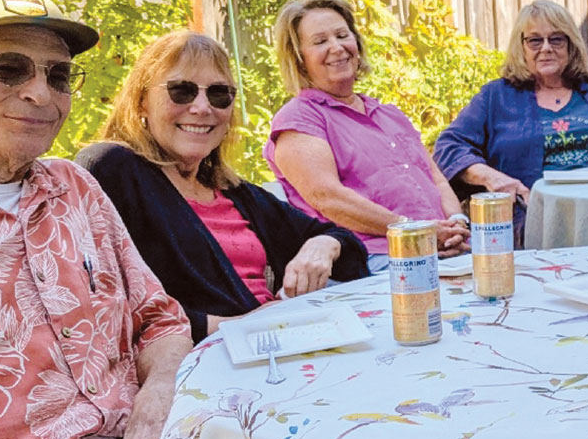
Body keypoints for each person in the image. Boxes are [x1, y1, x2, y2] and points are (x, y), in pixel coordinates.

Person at [0, 0, 192, 439]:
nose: (39, 93)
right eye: (9, 69)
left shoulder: (75, 186)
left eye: (58, 75)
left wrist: (157, 399)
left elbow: (160, 319)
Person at [76, 31, 369, 344]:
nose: (202, 107)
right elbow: (102, 304)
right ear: (142, 102)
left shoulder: (234, 192)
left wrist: (323, 245)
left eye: (219, 94)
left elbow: (349, 250)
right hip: (198, 362)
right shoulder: (114, 168)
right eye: (181, 91)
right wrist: (242, 326)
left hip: (272, 348)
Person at [263, 0, 469, 273]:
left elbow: (436, 180)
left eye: (342, 35)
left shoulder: (390, 114)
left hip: (441, 249)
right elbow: (328, 198)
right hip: (376, 259)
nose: (337, 47)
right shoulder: (300, 117)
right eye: (320, 41)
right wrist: (415, 232)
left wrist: (457, 223)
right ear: (300, 59)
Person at [433, 0, 588, 242]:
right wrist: (491, 178)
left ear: (571, 45)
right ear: (522, 47)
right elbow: (448, 147)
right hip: (535, 220)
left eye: (556, 39)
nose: (546, 48)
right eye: (535, 40)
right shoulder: (496, 97)